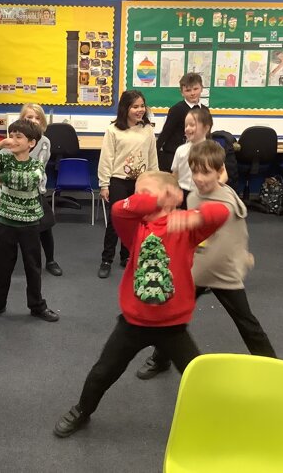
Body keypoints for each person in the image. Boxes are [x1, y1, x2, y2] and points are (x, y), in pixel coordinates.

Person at [53, 171, 230, 438]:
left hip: (172, 325)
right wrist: (155, 199)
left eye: (145, 192)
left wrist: (189, 216)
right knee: (103, 372)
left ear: (174, 196)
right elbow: (120, 208)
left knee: (196, 375)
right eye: (137, 193)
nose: (138, 198)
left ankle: (212, 420)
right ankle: (82, 410)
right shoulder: (135, 228)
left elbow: (221, 213)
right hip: (133, 323)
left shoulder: (186, 228)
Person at [135, 140, 277, 380]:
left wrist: (242, 256)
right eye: (195, 172)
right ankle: (161, 359)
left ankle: (273, 370)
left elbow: (237, 232)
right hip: (198, 271)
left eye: (206, 172)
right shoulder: (193, 197)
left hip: (224, 273)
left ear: (219, 172)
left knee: (247, 323)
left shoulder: (226, 202)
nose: (199, 179)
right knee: (173, 318)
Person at [0, 119, 60, 322]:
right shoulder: (5, 158)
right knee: (3, 267)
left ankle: (37, 306)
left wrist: (3, 177)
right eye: (11, 135)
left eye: (18, 136)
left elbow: (28, 181)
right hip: (6, 223)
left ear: (31, 143)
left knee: (33, 268)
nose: (12, 140)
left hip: (30, 224)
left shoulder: (36, 164)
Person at [0, 104, 62, 283]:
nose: (33, 121)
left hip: (35, 191)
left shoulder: (44, 142)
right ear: (22, 119)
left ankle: (51, 260)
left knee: (46, 227)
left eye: (37, 118)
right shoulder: (12, 142)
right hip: (11, 194)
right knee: (1, 233)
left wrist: (6, 177)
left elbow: (36, 172)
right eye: (29, 117)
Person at [98, 90, 158, 279]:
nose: (140, 110)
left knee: (136, 222)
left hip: (140, 183)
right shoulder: (113, 130)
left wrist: (155, 181)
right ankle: (107, 260)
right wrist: (104, 184)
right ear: (126, 108)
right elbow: (106, 158)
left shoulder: (147, 130)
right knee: (115, 221)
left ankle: (127, 256)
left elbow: (152, 157)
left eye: (142, 106)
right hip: (118, 181)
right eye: (135, 107)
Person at [157, 73, 203, 172]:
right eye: (188, 90)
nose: (192, 93)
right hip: (174, 156)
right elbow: (165, 133)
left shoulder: (204, 110)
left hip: (196, 155)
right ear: (182, 92)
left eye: (195, 89)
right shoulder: (176, 110)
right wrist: (155, 155)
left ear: (201, 88)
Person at [170, 105, 213, 205]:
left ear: (206, 128)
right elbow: (175, 174)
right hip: (182, 192)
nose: (187, 128)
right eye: (186, 125)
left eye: (192, 125)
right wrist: (173, 190)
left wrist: (212, 190)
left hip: (203, 194)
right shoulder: (181, 150)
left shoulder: (212, 150)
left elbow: (222, 174)